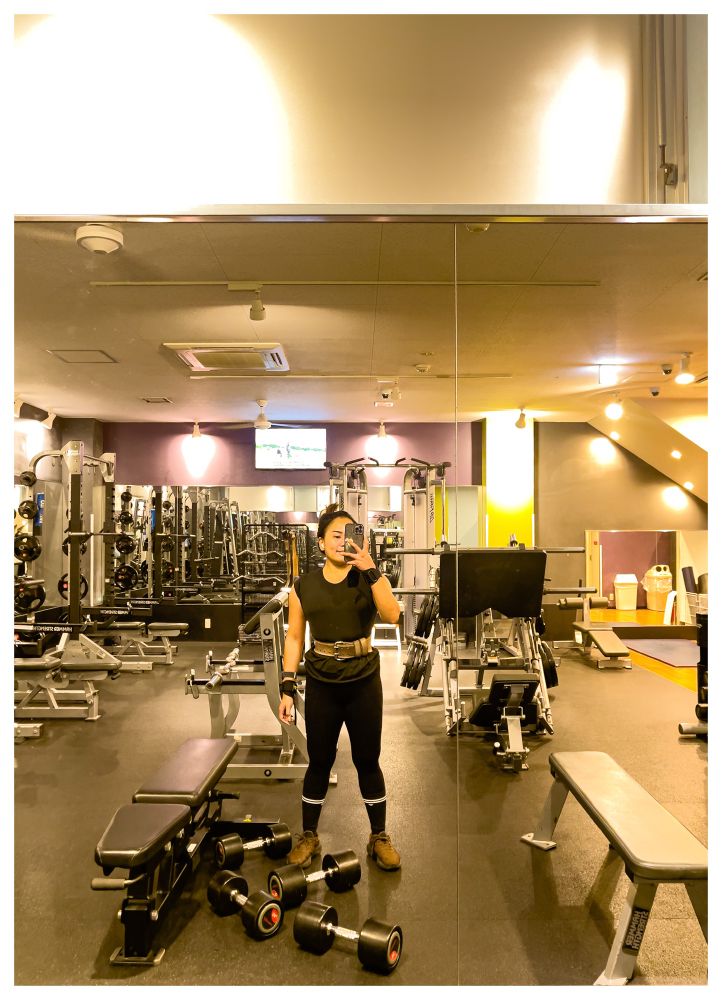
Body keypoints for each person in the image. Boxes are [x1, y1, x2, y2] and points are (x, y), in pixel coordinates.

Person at [278, 503, 402, 871]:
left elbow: (393, 616)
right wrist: (287, 686)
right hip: (322, 681)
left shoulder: (369, 578)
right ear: (320, 543)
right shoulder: (303, 586)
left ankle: (378, 836)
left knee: (367, 760)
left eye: (349, 535)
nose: (342, 541)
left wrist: (371, 569)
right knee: (319, 760)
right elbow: (294, 637)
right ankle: (309, 835)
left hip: (364, 680)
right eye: (335, 535)